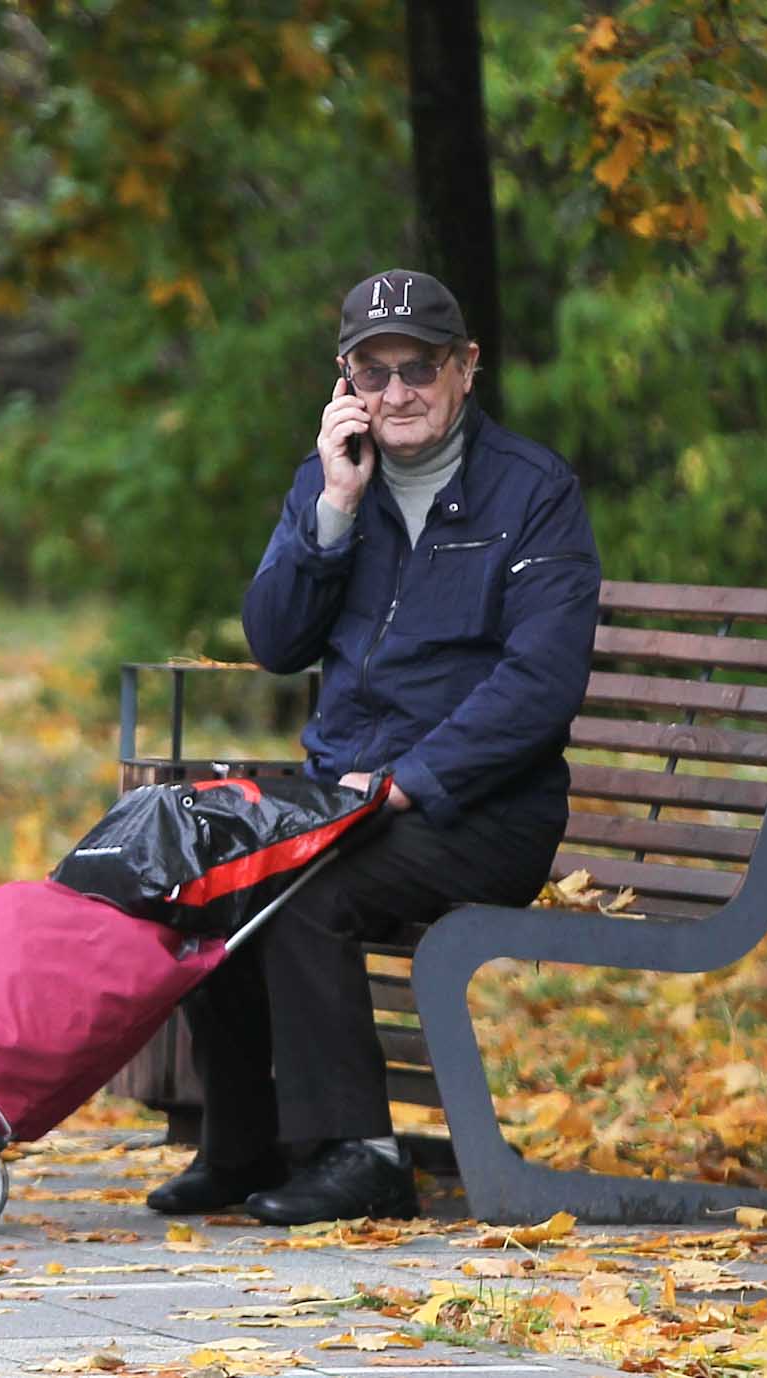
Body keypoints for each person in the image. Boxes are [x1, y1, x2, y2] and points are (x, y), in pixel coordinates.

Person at [145, 269, 602, 1226]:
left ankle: (362, 1152)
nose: (396, 392)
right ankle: (241, 1143)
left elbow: (541, 685)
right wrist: (334, 513)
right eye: (372, 369)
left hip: (485, 811)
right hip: (348, 795)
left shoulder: (533, 492)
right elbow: (274, 641)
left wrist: (407, 783)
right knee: (212, 870)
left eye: (419, 366)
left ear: (466, 367)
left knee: (312, 890)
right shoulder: (331, 479)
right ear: (345, 379)